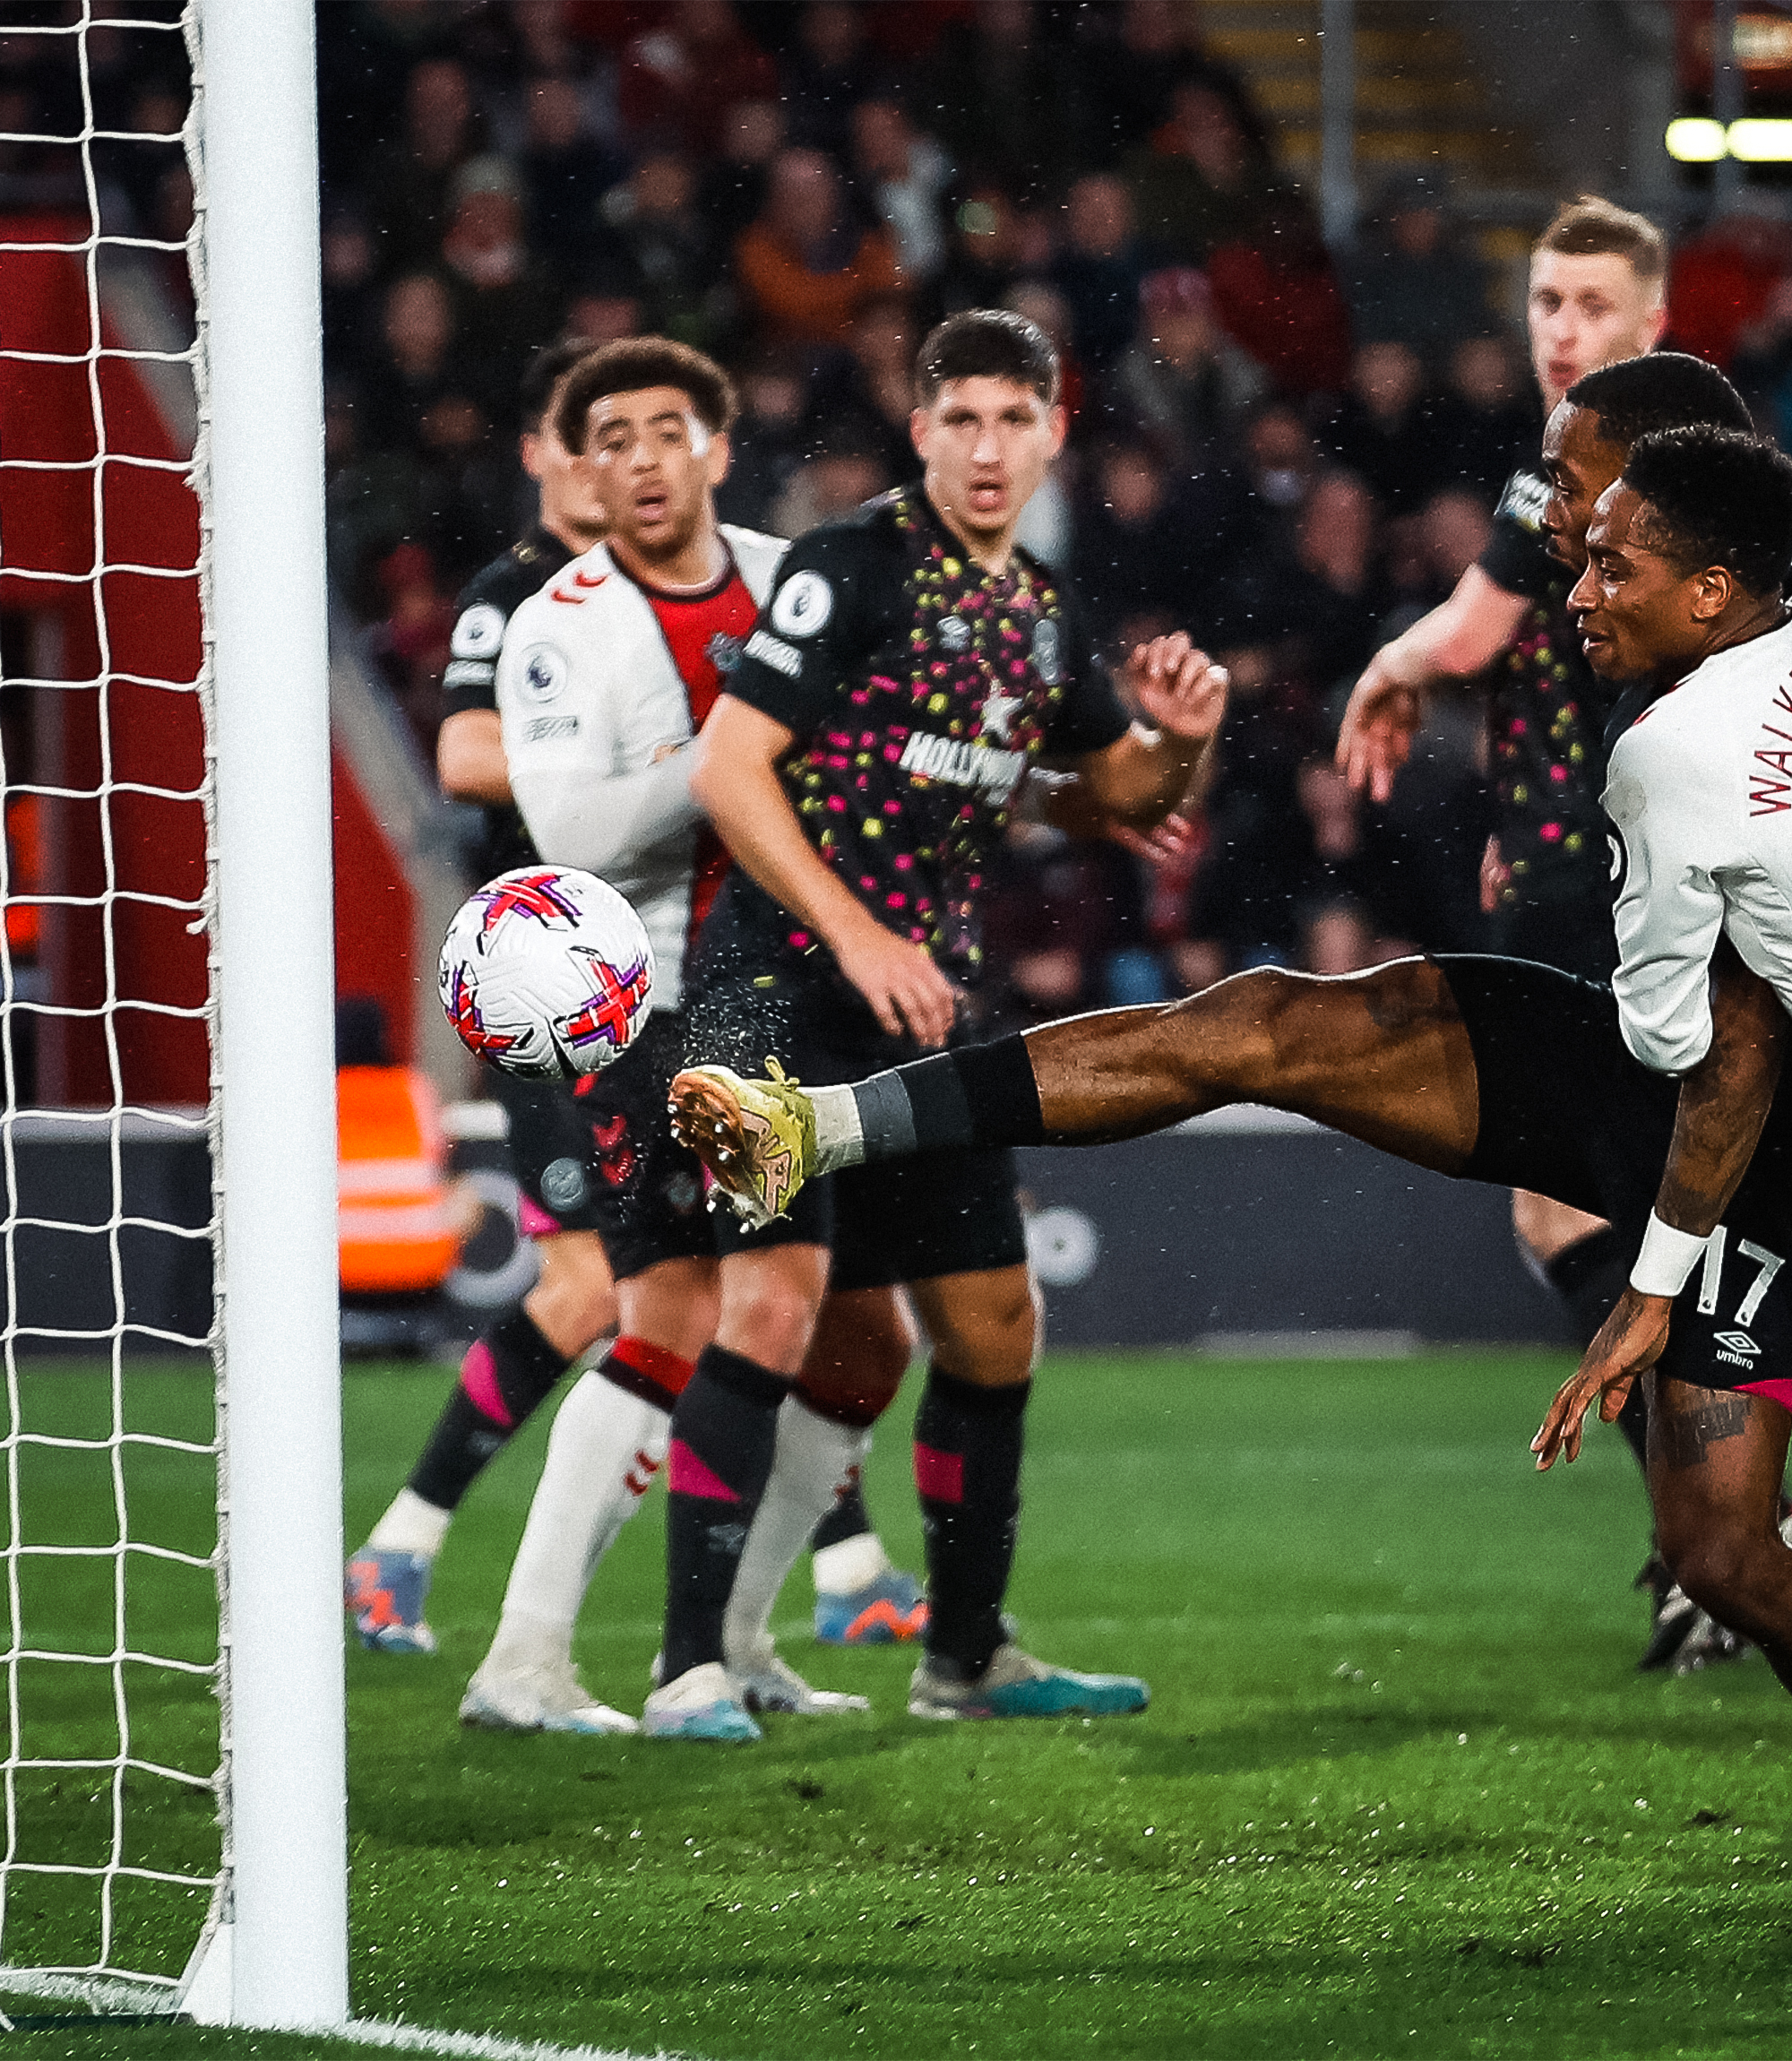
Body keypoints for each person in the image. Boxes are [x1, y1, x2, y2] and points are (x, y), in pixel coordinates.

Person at [669, 431, 1792, 1695]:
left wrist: (1651, 1285)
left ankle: (820, 1134)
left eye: (1604, 555)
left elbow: (1712, 1049)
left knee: (1730, 1552)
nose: (1571, 583)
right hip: (1726, 1099)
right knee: (1721, 1552)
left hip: (1727, 1118)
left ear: (1709, 588)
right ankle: (820, 1126)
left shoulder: (1678, 750)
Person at [642, 310, 1228, 1741]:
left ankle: (965, 1658)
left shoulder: (1038, 611)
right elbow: (729, 770)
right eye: (958, 419)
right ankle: (684, 1673)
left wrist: (1184, 736)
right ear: (922, 432)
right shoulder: (852, 567)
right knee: (773, 1307)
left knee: (988, 1329)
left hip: (922, 1013)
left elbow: (1116, 802)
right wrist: (855, 929)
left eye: (1010, 421)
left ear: (1052, 433)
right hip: (772, 987)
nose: (985, 447)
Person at [347, 341, 918, 1686]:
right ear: (568, 461)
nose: (637, 460)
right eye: (608, 437)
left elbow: (873, 731)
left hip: (802, 999)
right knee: (646, 1297)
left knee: (831, 1320)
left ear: (719, 447)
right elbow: (508, 782)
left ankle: (774, 1606)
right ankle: (474, 1586)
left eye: (671, 431)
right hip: (604, 1004)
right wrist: (740, 745)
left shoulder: (790, 578)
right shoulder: (533, 604)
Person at [1336, 197, 1674, 1599]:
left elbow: (1473, 634)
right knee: (1663, 1206)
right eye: (1546, 302)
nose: (1564, 330)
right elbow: (1550, 668)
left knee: (1570, 1208)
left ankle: (1709, 1535)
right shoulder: (1708, 469)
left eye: (1595, 307)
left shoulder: (1581, 473)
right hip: (1605, 863)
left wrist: (1385, 671)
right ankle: (1715, 1530)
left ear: (1654, 325)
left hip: (1595, 882)